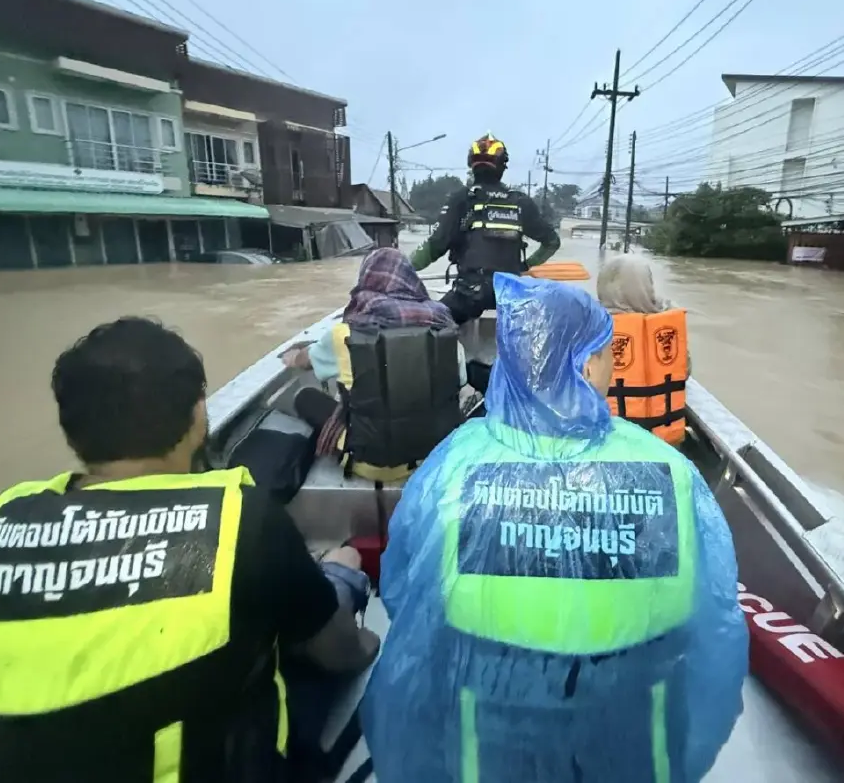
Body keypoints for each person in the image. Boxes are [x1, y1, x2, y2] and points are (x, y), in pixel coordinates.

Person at [0, 317, 379, 783]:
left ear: (71, 432)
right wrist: (348, 583)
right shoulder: (240, 519)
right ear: (199, 416)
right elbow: (344, 653)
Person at [361, 274, 748, 782]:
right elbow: (710, 621)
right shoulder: (669, 471)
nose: (612, 365)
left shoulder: (451, 467)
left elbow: (404, 598)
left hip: (487, 746)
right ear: (588, 366)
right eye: (609, 354)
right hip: (630, 740)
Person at [285, 247, 466, 483]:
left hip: (370, 463)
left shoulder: (347, 332)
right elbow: (461, 381)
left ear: (366, 279)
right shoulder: (445, 325)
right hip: (434, 454)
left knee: (305, 396)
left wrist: (293, 356)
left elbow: (307, 361)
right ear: (410, 279)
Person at [410, 133, 561, 324]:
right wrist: (525, 265)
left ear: (471, 166)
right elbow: (552, 242)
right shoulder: (520, 201)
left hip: (469, 294)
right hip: (511, 294)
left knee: (431, 324)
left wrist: (405, 267)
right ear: (502, 167)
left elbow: (435, 246)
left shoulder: (463, 198)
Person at [597, 253, 691, 446]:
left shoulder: (588, 323)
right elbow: (685, 370)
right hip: (663, 445)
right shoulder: (666, 321)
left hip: (607, 442)